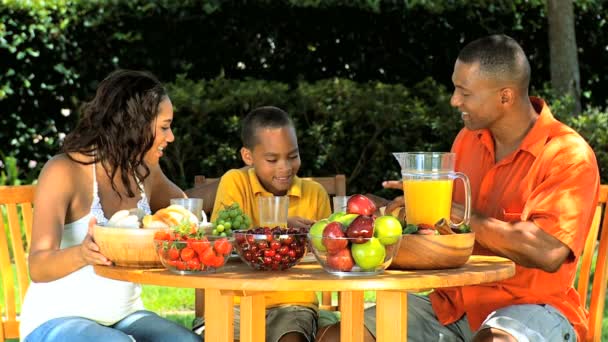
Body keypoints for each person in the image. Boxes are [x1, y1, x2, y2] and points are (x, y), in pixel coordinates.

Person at [364, 34, 601, 342]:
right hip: (454, 306)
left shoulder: (567, 155)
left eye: (464, 92)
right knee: (342, 334)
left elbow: (548, 251)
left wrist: (460, 216)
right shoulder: (467, 140)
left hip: (531, 309)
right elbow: (443, 230)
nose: (454, 100)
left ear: (506, 97)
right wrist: (396, 216)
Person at [20, 69, 201, 342]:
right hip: (55, 321)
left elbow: (185, 209)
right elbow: (38, 265)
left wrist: (242, 178)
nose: (171, 136)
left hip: (125, 317)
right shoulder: (65, 171)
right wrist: (83, 254)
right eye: (164, 126)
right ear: (134, 124)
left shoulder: (145, 172)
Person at [193, 106, 331, 342]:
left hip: (293, 302)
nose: (285, 168)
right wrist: (280, 226)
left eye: (292, 156)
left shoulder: (314, 194)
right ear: (248, 157)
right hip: (234, 299)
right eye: (272, 159)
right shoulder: (234, 181)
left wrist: (316, 241)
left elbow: (328, 255)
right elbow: (223, 241)